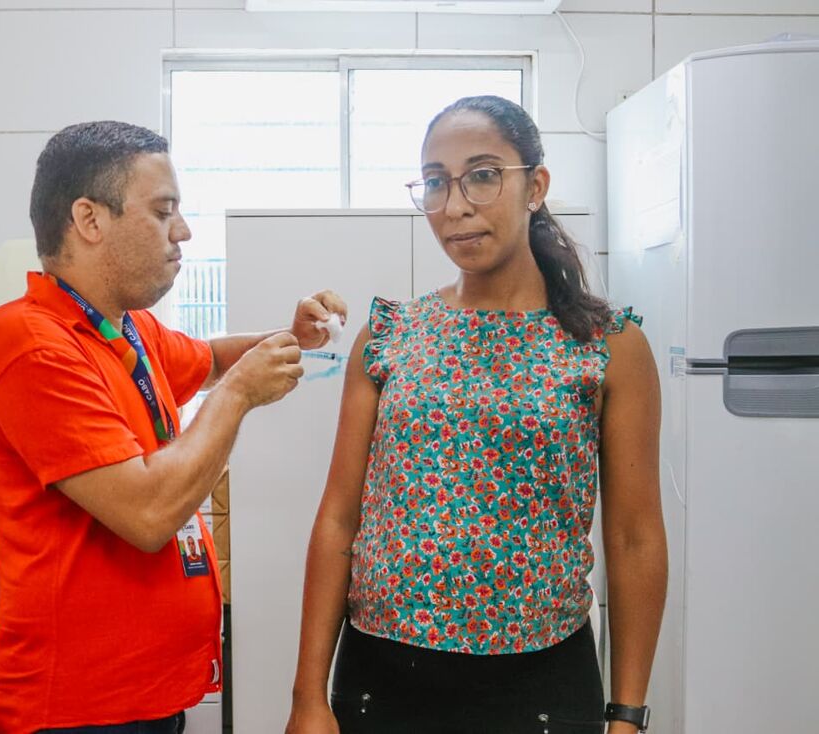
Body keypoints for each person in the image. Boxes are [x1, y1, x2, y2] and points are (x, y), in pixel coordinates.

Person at [285, 96, 668, 734]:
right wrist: (307, 697)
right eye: (435, 182)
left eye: (483, 175)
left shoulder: (608, 345)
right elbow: (339, 519)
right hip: (382, 677)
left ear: (535, 187)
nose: (455, 205)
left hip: (540, 685)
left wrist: (627, 716)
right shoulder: (391, 335)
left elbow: (634, 538)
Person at [0, 120, 346, 734]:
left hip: (143, 694)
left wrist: (291, 337)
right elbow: (148, 513)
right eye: (164, 211)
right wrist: (239, 396)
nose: (183, 230)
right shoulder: (29, 344)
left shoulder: (122, 327)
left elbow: (210, 359)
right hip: (79, 710)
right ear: (89, 220)